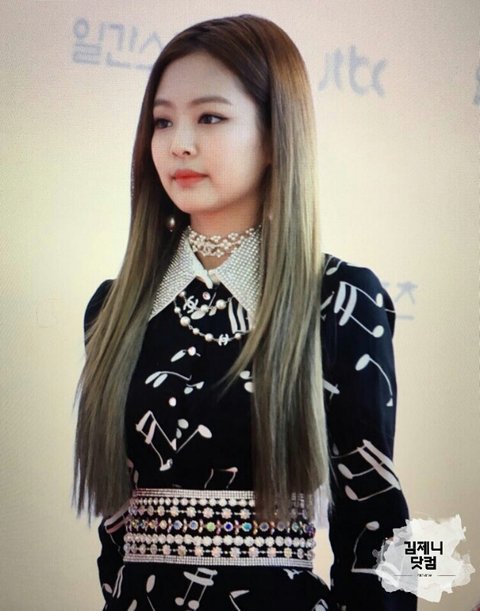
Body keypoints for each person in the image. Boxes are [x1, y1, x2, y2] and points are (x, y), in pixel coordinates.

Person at [74, 14, 417, 610]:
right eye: (162, 121)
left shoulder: (340, 299)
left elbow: (383, 523)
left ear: (277, 134)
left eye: (210, 117)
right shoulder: (114, 307)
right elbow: (115, 531)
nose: (178, 143)